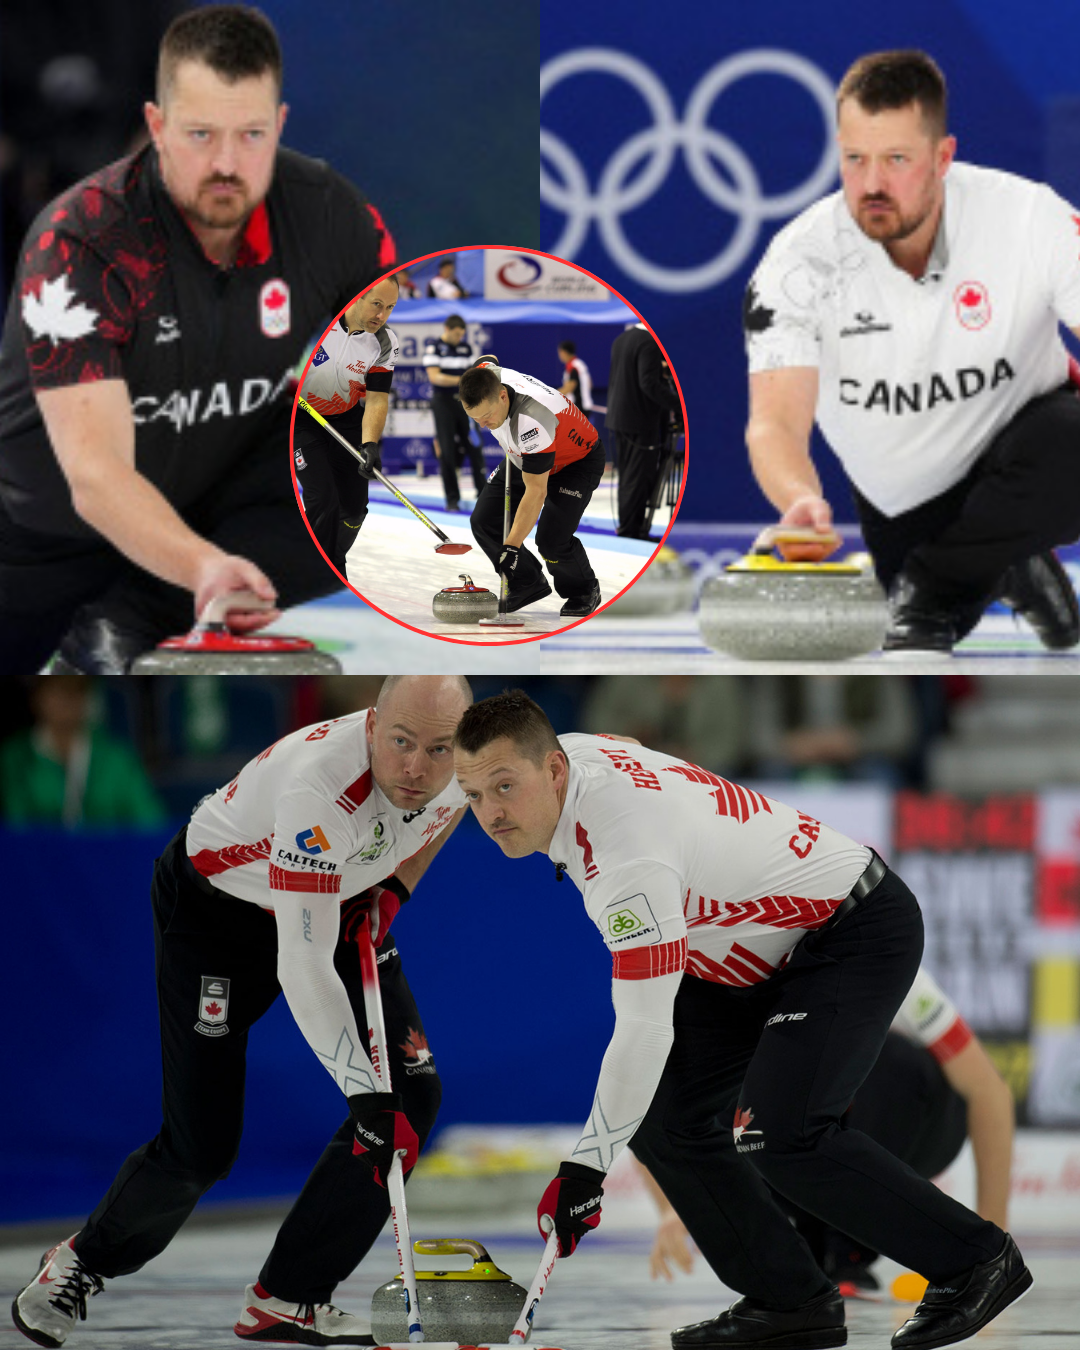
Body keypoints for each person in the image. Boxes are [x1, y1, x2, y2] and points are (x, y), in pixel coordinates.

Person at [453, 690, 1031, 1350]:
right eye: (474, 795)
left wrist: (585, 1171)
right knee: (664, 1116)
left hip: (850, 928)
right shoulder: (579, 753)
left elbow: (645, 1030)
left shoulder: (628, 867)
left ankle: (976, 1261)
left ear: (553, 770)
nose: (490, 813)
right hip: (752, 951)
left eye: (505, 787)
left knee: (781, 1132)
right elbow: (631, 749)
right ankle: (790, 1300)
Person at [12, 675, 471, 1349]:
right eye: (402, 743)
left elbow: (449, 808)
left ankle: (290, 1295)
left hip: (341, 897)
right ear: (372, 726)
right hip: (219, 916)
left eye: (439, 750)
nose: (417, 769)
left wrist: (395, 888)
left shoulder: (471, 760)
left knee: (411, 1097)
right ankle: (82, 1261)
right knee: (201, 1148)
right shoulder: (321, 788)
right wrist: (362, 1095)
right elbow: (303, 965)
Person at [0, 4, 395, 675]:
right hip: (49, 538)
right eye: (201, 134)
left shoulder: (334, 216)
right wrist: (202, 566)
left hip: (198, 486)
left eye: (251, 135)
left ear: (280, 125)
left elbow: (400, 364)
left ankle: (126, 623)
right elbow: (93, 477)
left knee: (354, 465)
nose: (226, 164)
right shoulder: (77, 241)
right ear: (155, 126)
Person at [743, 49, 1080, 654]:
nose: (872, 184)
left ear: (942, 157)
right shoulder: (796, 267)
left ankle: (937, 584)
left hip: (1034, 446)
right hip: (910, 506)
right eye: (855, 159)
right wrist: (800, 499)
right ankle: (1005, 560)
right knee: (915, 611)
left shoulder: (1031, 218)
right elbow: (774, 423)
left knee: (923, 610)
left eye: (896, 159)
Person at [636, 966, 1015, 1294]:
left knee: (881, 1057)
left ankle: (848, 1245)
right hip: (794, 1147)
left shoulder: (886, 968)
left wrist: (992, 1243)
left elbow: (989, 1091)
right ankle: (807, 1244)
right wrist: (677, 1204)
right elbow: (653, 1101)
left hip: (918, 1132)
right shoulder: (718, 980)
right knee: (718, 1088)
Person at [459, 358, 605, 617]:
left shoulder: (531, 421)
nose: (482, 425)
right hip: (525, 455)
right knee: (484, 521)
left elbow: (536, 491)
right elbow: (487, 361)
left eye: (486, 417)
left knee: (551, 540)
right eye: (474, 418)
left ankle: (583, 590)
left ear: (502, 396)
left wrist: (511, 547)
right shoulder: (487, 376)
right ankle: (527, 582)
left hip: (574, 462)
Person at [293, 276, 400, 578]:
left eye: (390, 307)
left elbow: (377, 398)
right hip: (301, 420)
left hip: (347, 419)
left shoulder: (385, 342)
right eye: (377, 304)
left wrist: (370, 444)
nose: (382, 315)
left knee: (353, 510)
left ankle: (332, 565)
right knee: (323, 499)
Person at [0, 675, 167, 828]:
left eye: (77, 691)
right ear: (37, 697)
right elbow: (15, 826)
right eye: (58, 691)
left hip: (105, 850)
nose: (68, 700)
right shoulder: (14, 756)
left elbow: (151, 823)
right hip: (38, 851)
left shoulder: (117, 758)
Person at [605, 322, 682, 539]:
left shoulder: (623, 339)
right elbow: (648, 383)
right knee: (638, 477)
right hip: (638, 420)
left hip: (620, 418)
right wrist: (680, 404)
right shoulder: (649, 342)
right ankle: (632, 530)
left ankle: (630, 527)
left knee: (629, 476)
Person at [422, 314, 486, 511]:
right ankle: (452, 499)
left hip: (465, 402)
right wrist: (461, 380)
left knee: (475, 447)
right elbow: (435, 377)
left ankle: (483, 494)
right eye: (457, 334)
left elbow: (473, 374)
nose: (460, 338)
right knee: (447, 451)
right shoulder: (434, 347)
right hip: (443, 403)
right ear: (447, 329)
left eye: (462, 335)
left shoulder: (466, 348)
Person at [557, 340, 595, 419]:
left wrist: (551, 394)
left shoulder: (572, 367)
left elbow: (569, 387)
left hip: (578, 408)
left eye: (559, 352)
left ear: (564, 352)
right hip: (586, 406)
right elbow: (590, 384)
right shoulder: (581, 364)